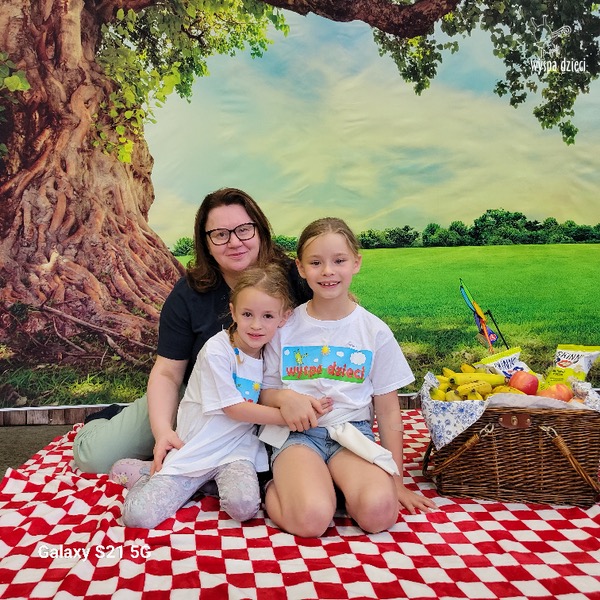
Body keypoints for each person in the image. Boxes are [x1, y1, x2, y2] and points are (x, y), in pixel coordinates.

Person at [72, 187, 318, 475]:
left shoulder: (295, 278)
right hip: (201, 397)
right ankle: (110, 418)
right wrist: (163, 432)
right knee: (96, 458)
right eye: (220, 234)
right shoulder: (189, 294)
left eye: (244, 230)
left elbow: (336, 320)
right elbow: (167, 373)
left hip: (278, 392)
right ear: (206, 243)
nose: (234, 242)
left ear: (260, 231)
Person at [259, 217, 437, 538]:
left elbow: (388, 410)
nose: (328, 271)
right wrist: (286, 398)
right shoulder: (285, 327)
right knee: (311, 520)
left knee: (379, 513)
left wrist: (396, 480)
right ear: (301, 268)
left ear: (356, 263)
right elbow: (263, 391)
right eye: (316, 262)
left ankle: (337, 487)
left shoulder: (374, 331)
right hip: (297, 436)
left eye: (339, 261)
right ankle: (276, 487)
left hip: (353, 436)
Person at [111, 265, 294, 528]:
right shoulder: (217, 350)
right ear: (233, 311)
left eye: (267, 316)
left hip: (236, 449)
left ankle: (207, 482)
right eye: (247, 314)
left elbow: (270, 392)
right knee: (138, 517)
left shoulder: (271, 350)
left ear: (283, 318)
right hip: (197, 446)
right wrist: (287, 417)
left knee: (244, 507)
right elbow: (234, 408)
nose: (256, 325)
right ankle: (145, 476)